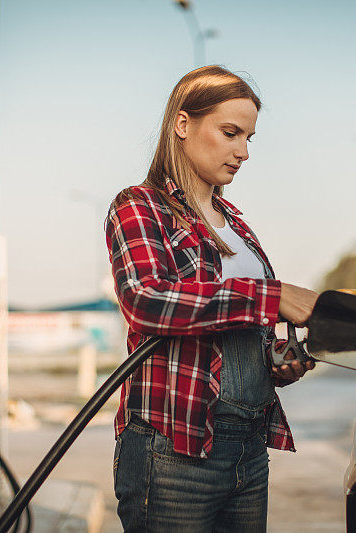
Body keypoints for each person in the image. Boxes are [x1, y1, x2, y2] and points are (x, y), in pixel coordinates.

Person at [104, 65, 319, 532]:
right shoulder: (140, 206)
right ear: (183, 125)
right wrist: (271, 295)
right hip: (174, 450)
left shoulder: (238, 226)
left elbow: (238, 332)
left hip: (247, 449)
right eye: (229, 132)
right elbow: (147, 300)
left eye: (249, 138)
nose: (242, 152)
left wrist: (276, 364)